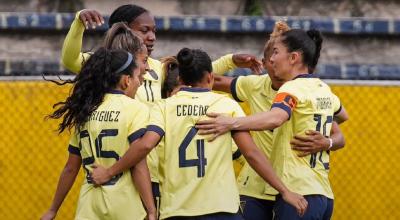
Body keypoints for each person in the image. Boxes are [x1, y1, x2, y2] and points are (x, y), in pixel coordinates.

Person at [61, 5, 263, 201]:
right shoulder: (103, 65)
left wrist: (231, 61)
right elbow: (70, 60)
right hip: (118, 166)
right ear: (124, 30)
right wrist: (79, 21)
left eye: (154, 31)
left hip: (154, 166)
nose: (152, 37)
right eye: (145, 30)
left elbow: (193, 73)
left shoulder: (158, 67)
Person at [89, 47, 308, 219]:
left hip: (176, 210)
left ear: (180, 79)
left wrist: (110, 172)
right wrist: (284, 190)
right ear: (211, 77)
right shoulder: (224, 105)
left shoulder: (163, 107)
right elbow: (251, 154)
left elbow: (145, 146)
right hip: (220, 209)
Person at [196, 29, 349, 219]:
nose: (270, 61)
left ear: (293, 57)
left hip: (296, 189)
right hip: (310, 190)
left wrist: (231, 122)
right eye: (270, 55)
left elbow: (276, 118)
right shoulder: (321, 88)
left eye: (276, 53)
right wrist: (230, 60)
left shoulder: (291, 89)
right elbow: (343, 115)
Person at [41, 48, 155, 220]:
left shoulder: (85, 112)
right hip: (124, 208)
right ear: (126, 81)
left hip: (89, 208)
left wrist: (53, 209)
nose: (139, 83)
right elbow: (138, 165)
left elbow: (70, 168)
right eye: (137, 77)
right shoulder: (136, 109)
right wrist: (151, 210)